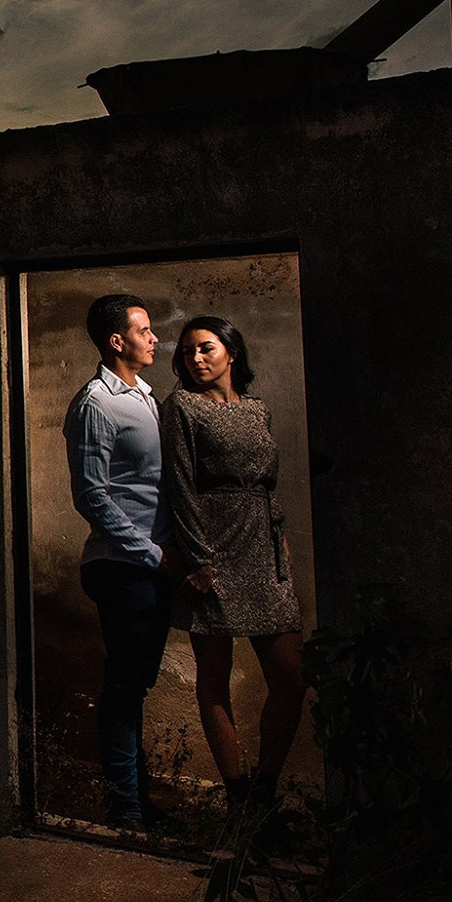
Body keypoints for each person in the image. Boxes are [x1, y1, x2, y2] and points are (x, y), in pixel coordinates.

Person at [160, 316, 304, 818]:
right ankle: (238, 794)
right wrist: (199, 559)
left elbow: (268, 484)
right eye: (186, 353)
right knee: (214, 675)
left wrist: (279, 537)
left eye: (204, 349)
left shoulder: (258, 411)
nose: (194, 359)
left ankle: (265, 787)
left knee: (291, 678)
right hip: (214, 549)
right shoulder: (181, 407)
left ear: (231, 352)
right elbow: (179, 486)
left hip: (263, 548)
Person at [63, 293, 173, 830]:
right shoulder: (96, 404)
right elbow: (92, 495)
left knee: (136, 686)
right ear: (117, 340)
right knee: (126, 687)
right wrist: (152, 554)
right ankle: (125, 810)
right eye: (144, 330)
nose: (153, 338)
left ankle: (137, 803)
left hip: (149, 566)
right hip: (122, 565)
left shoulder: (148, 398)